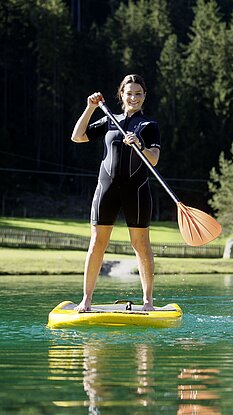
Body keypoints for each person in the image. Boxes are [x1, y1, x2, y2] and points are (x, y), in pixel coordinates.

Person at [71, 74, 160, 312]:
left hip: (137, 191)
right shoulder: (110, 120)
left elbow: (154, 160)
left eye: (138, 94)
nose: (134, 98)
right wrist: (90, 108)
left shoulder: (150, 126)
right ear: (121, 95)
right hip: (107, 190)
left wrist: (140, 145)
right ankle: (86, 300)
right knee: (97, 243)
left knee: (141, 245)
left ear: (144, 96)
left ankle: (148, 302)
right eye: (129, 93)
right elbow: (77, 136)